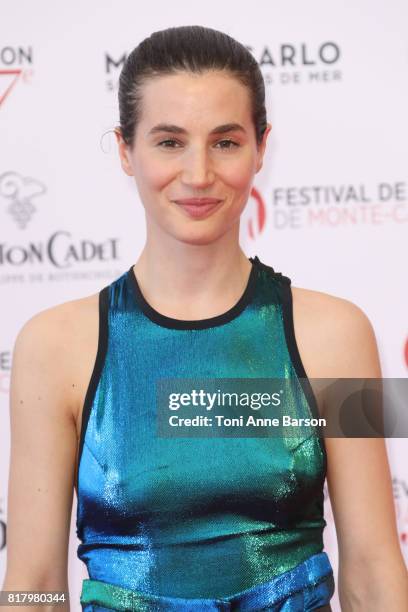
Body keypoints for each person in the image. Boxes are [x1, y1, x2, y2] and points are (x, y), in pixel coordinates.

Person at [2, 24, 408, 612]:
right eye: (169, 142)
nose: (198, 174)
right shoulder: (52, 347)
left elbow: (374, 567)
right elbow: (31, 578)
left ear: (261, 147)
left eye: (225, 141)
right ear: (125, 150)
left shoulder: (341, 336)